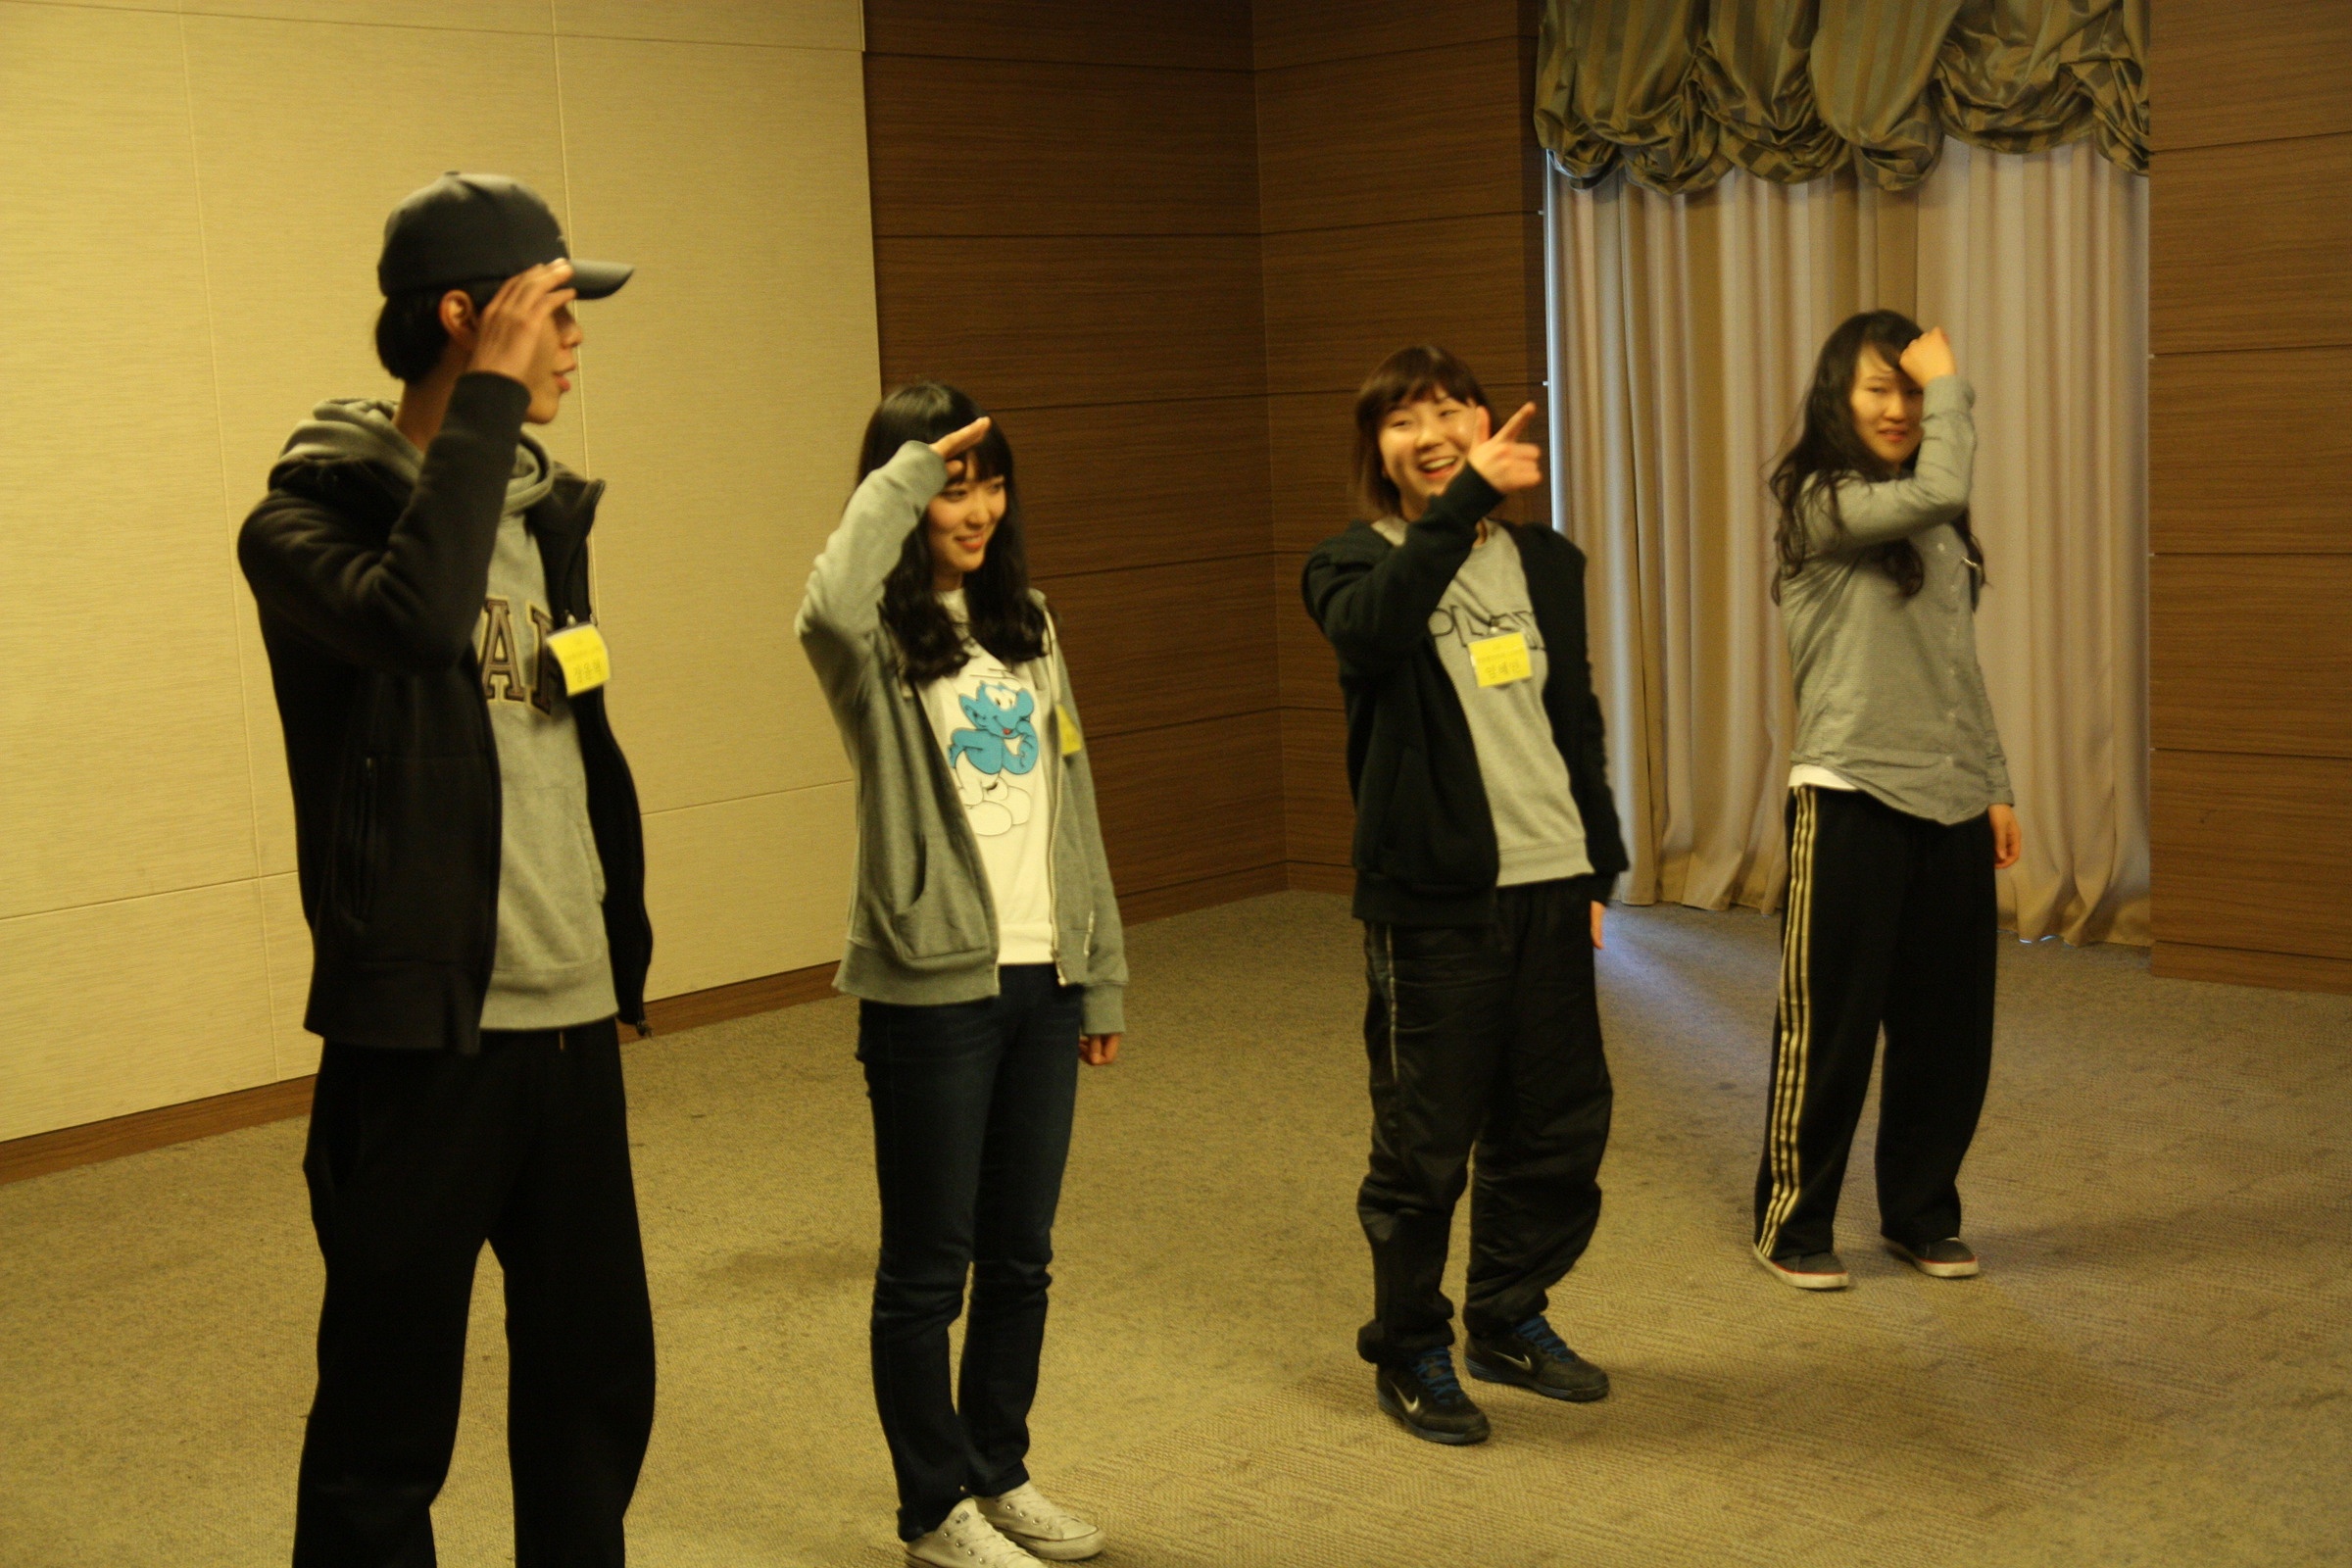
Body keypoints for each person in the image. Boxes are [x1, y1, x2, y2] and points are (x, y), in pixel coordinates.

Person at [238, 172, 656, 1566]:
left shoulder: (543, 516)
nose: (575, 342)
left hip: (569, 1019)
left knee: (594, 1388)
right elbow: (418, 620)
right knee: (386, 1415)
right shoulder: (302, 525)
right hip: (421, 1036)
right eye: (554, 312)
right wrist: (483, 402)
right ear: (467, 318)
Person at [797, 384, 1127, 1567]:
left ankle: (998, 1469)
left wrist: (1100, 969)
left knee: (1020, 1253)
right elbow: (823, 601)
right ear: (900, 496)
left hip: (1046, 975)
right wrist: (903, 476)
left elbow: (1073, 793)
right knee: (927, 1267)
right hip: (932, 987)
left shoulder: (1028, 621)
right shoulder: (873, 638)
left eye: (990, 484)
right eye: (950, 488)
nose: (976, 509)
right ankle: (932, 1508)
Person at [1301, 345, 1628, 1447]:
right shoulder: (1351, 563)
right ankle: (1409, 1346)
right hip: (1432, 900)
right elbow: (1379, 630)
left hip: (1551, 883)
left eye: (1451, 409)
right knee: (1424, 1141)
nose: (1432, 433)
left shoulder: (1546, 562)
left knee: (1556, 1124)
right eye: (1403, 418)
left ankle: (1505, 1314)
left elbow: (1574, 718)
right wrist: (1462, 506)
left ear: (1488, 421)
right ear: (1377, 449)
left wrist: (1596, 867)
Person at [1750, 311, 2021, 1292]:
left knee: (1948, 1032)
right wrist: (1952, 381)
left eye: (1913, 390)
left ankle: (1920, 1213)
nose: (1903, 407)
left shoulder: (1937, 529)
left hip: (1950, 799)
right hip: (1850, 792)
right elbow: (1943, 481)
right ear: (1840, 398)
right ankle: (1791, 1223)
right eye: (1883, 388)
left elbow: (1956, 665)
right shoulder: (1820, 500)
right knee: (1829, 1026)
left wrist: (1993, 785)